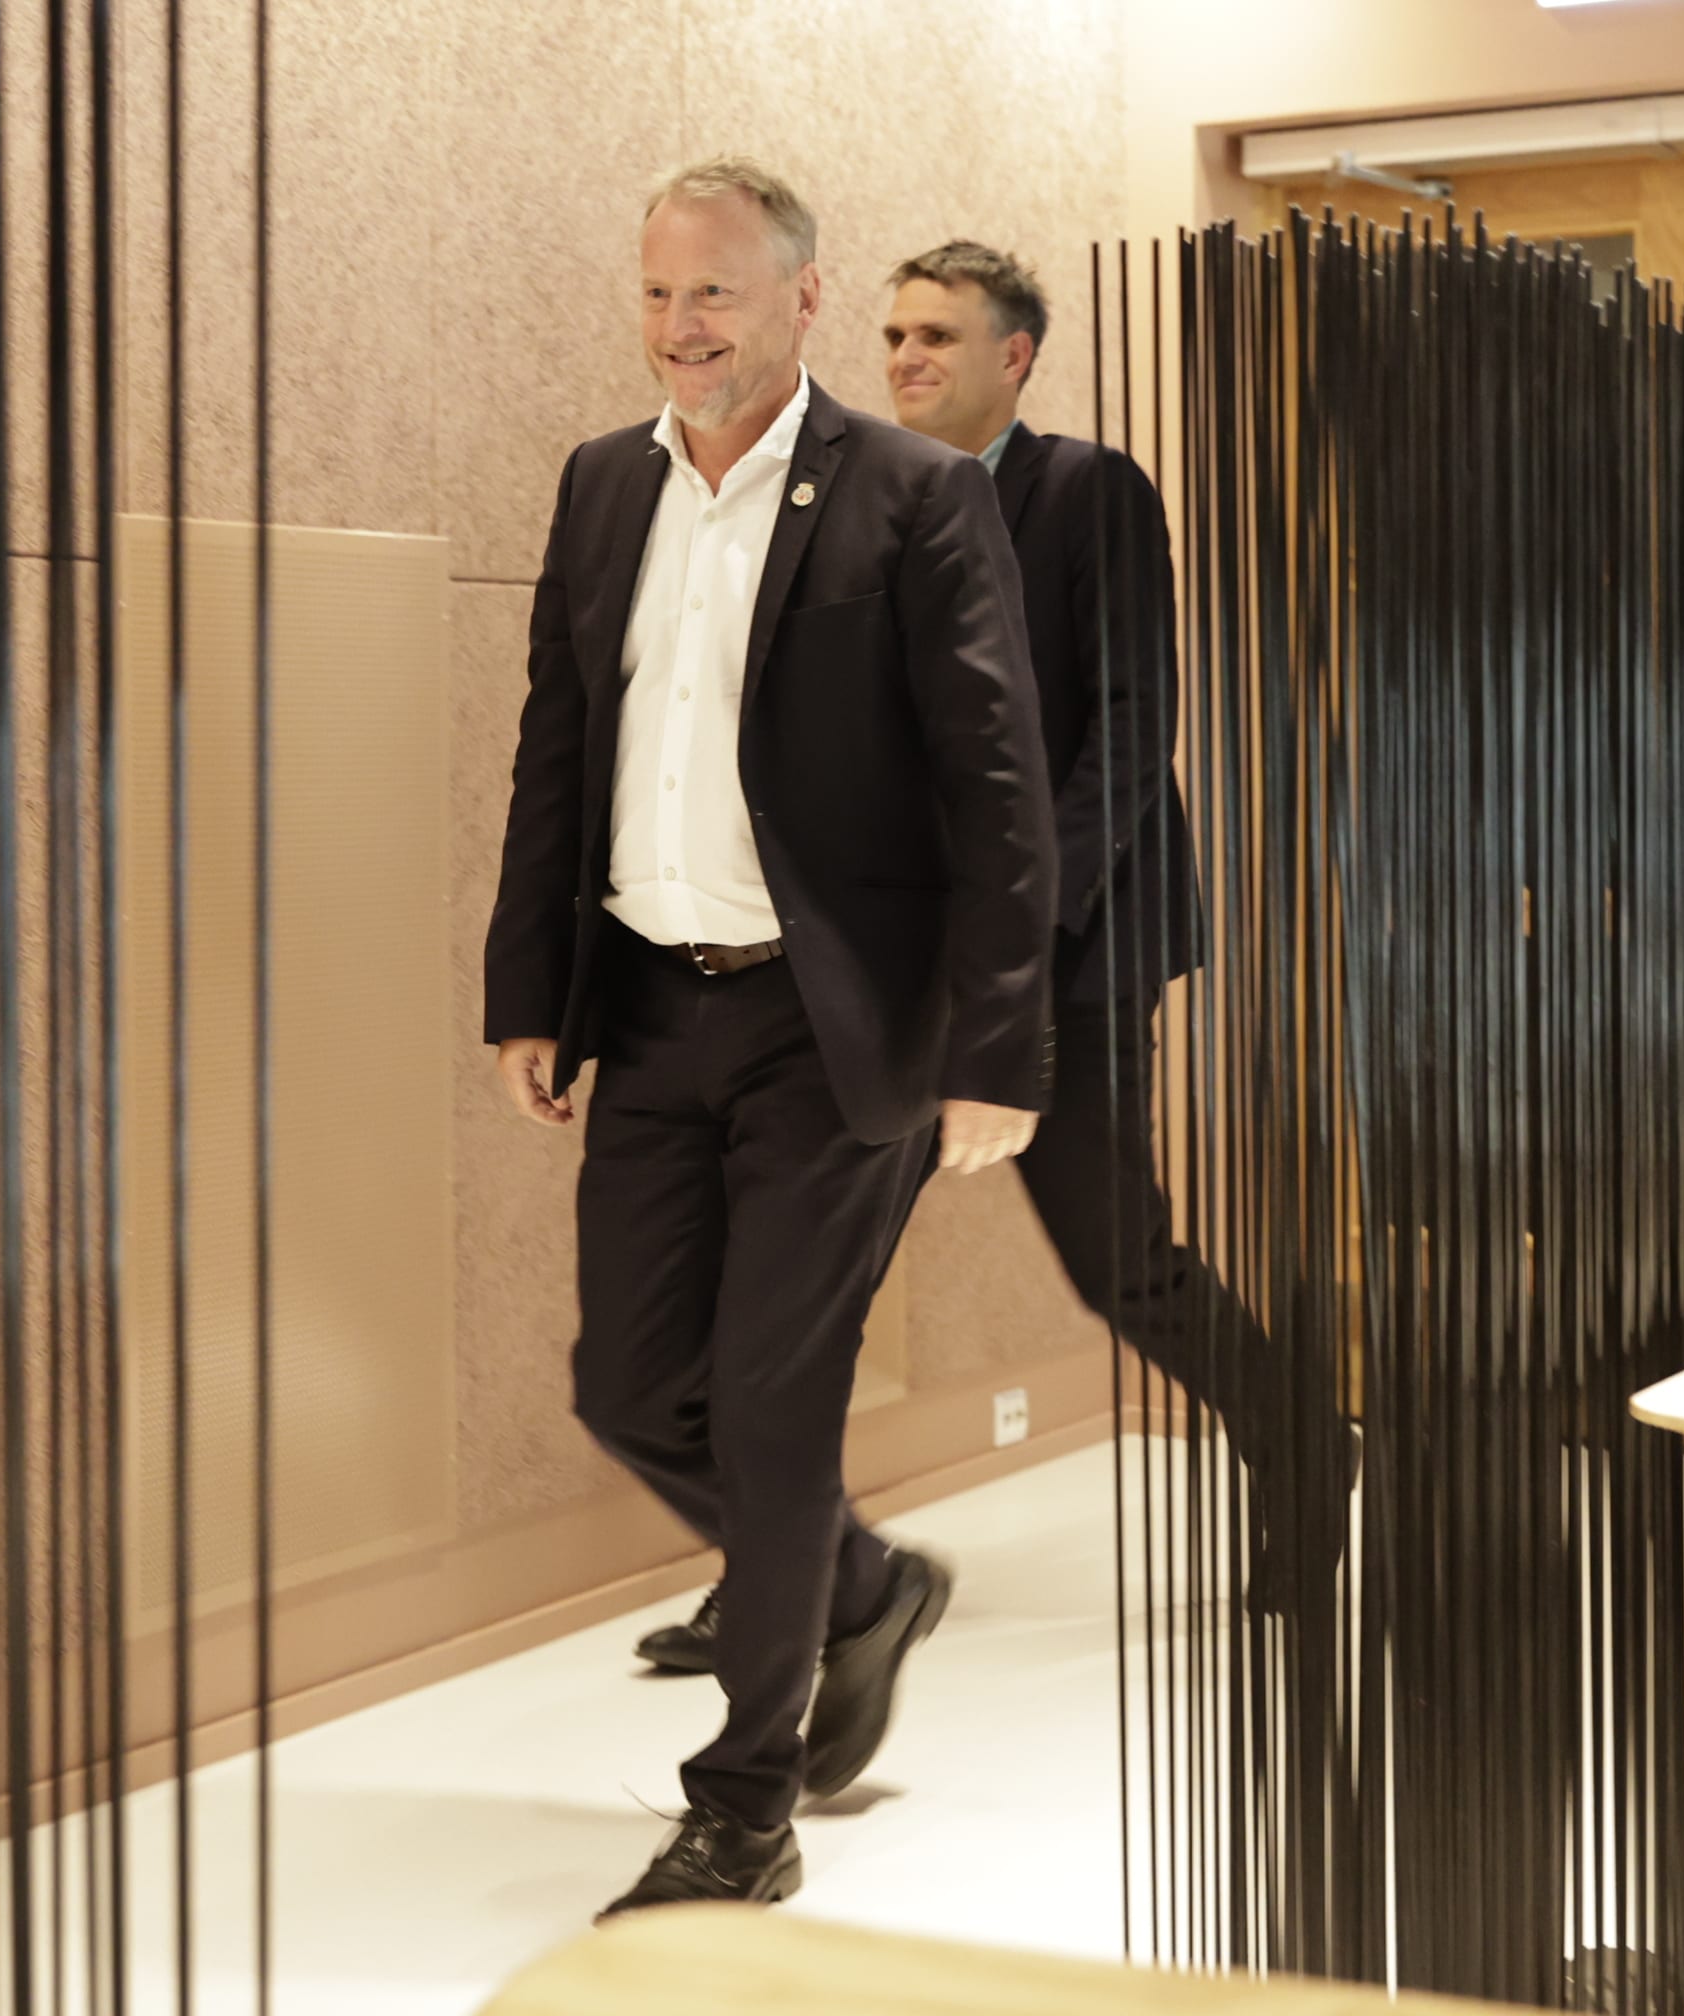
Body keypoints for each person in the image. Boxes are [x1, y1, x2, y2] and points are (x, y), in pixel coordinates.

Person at [629, 242, 1360, 1695]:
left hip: (1061, 963)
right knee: (796, 1299)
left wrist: (1010, 939)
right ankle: (781, 1579)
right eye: (896, 335)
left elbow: (1127, 733)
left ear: (1013, 357)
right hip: (888, 975)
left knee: (1123, 1267)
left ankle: (1301, 1445)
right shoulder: (858, 494)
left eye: (939, 338)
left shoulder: (1089, 494)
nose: (906, 360)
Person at [485, 163, 1055, 1918]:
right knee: (627, 1386)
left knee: (772, 1406)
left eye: (716, 294)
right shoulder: (603, 484)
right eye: (660, 295)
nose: (682, 328)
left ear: (801, 299)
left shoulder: (914, 495)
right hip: (652, 1006)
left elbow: (996, 782)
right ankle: (862, 1589)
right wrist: (529, 991)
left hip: (835, 1027)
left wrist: (1000, 1049)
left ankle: (745, 1807)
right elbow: (558, 748)